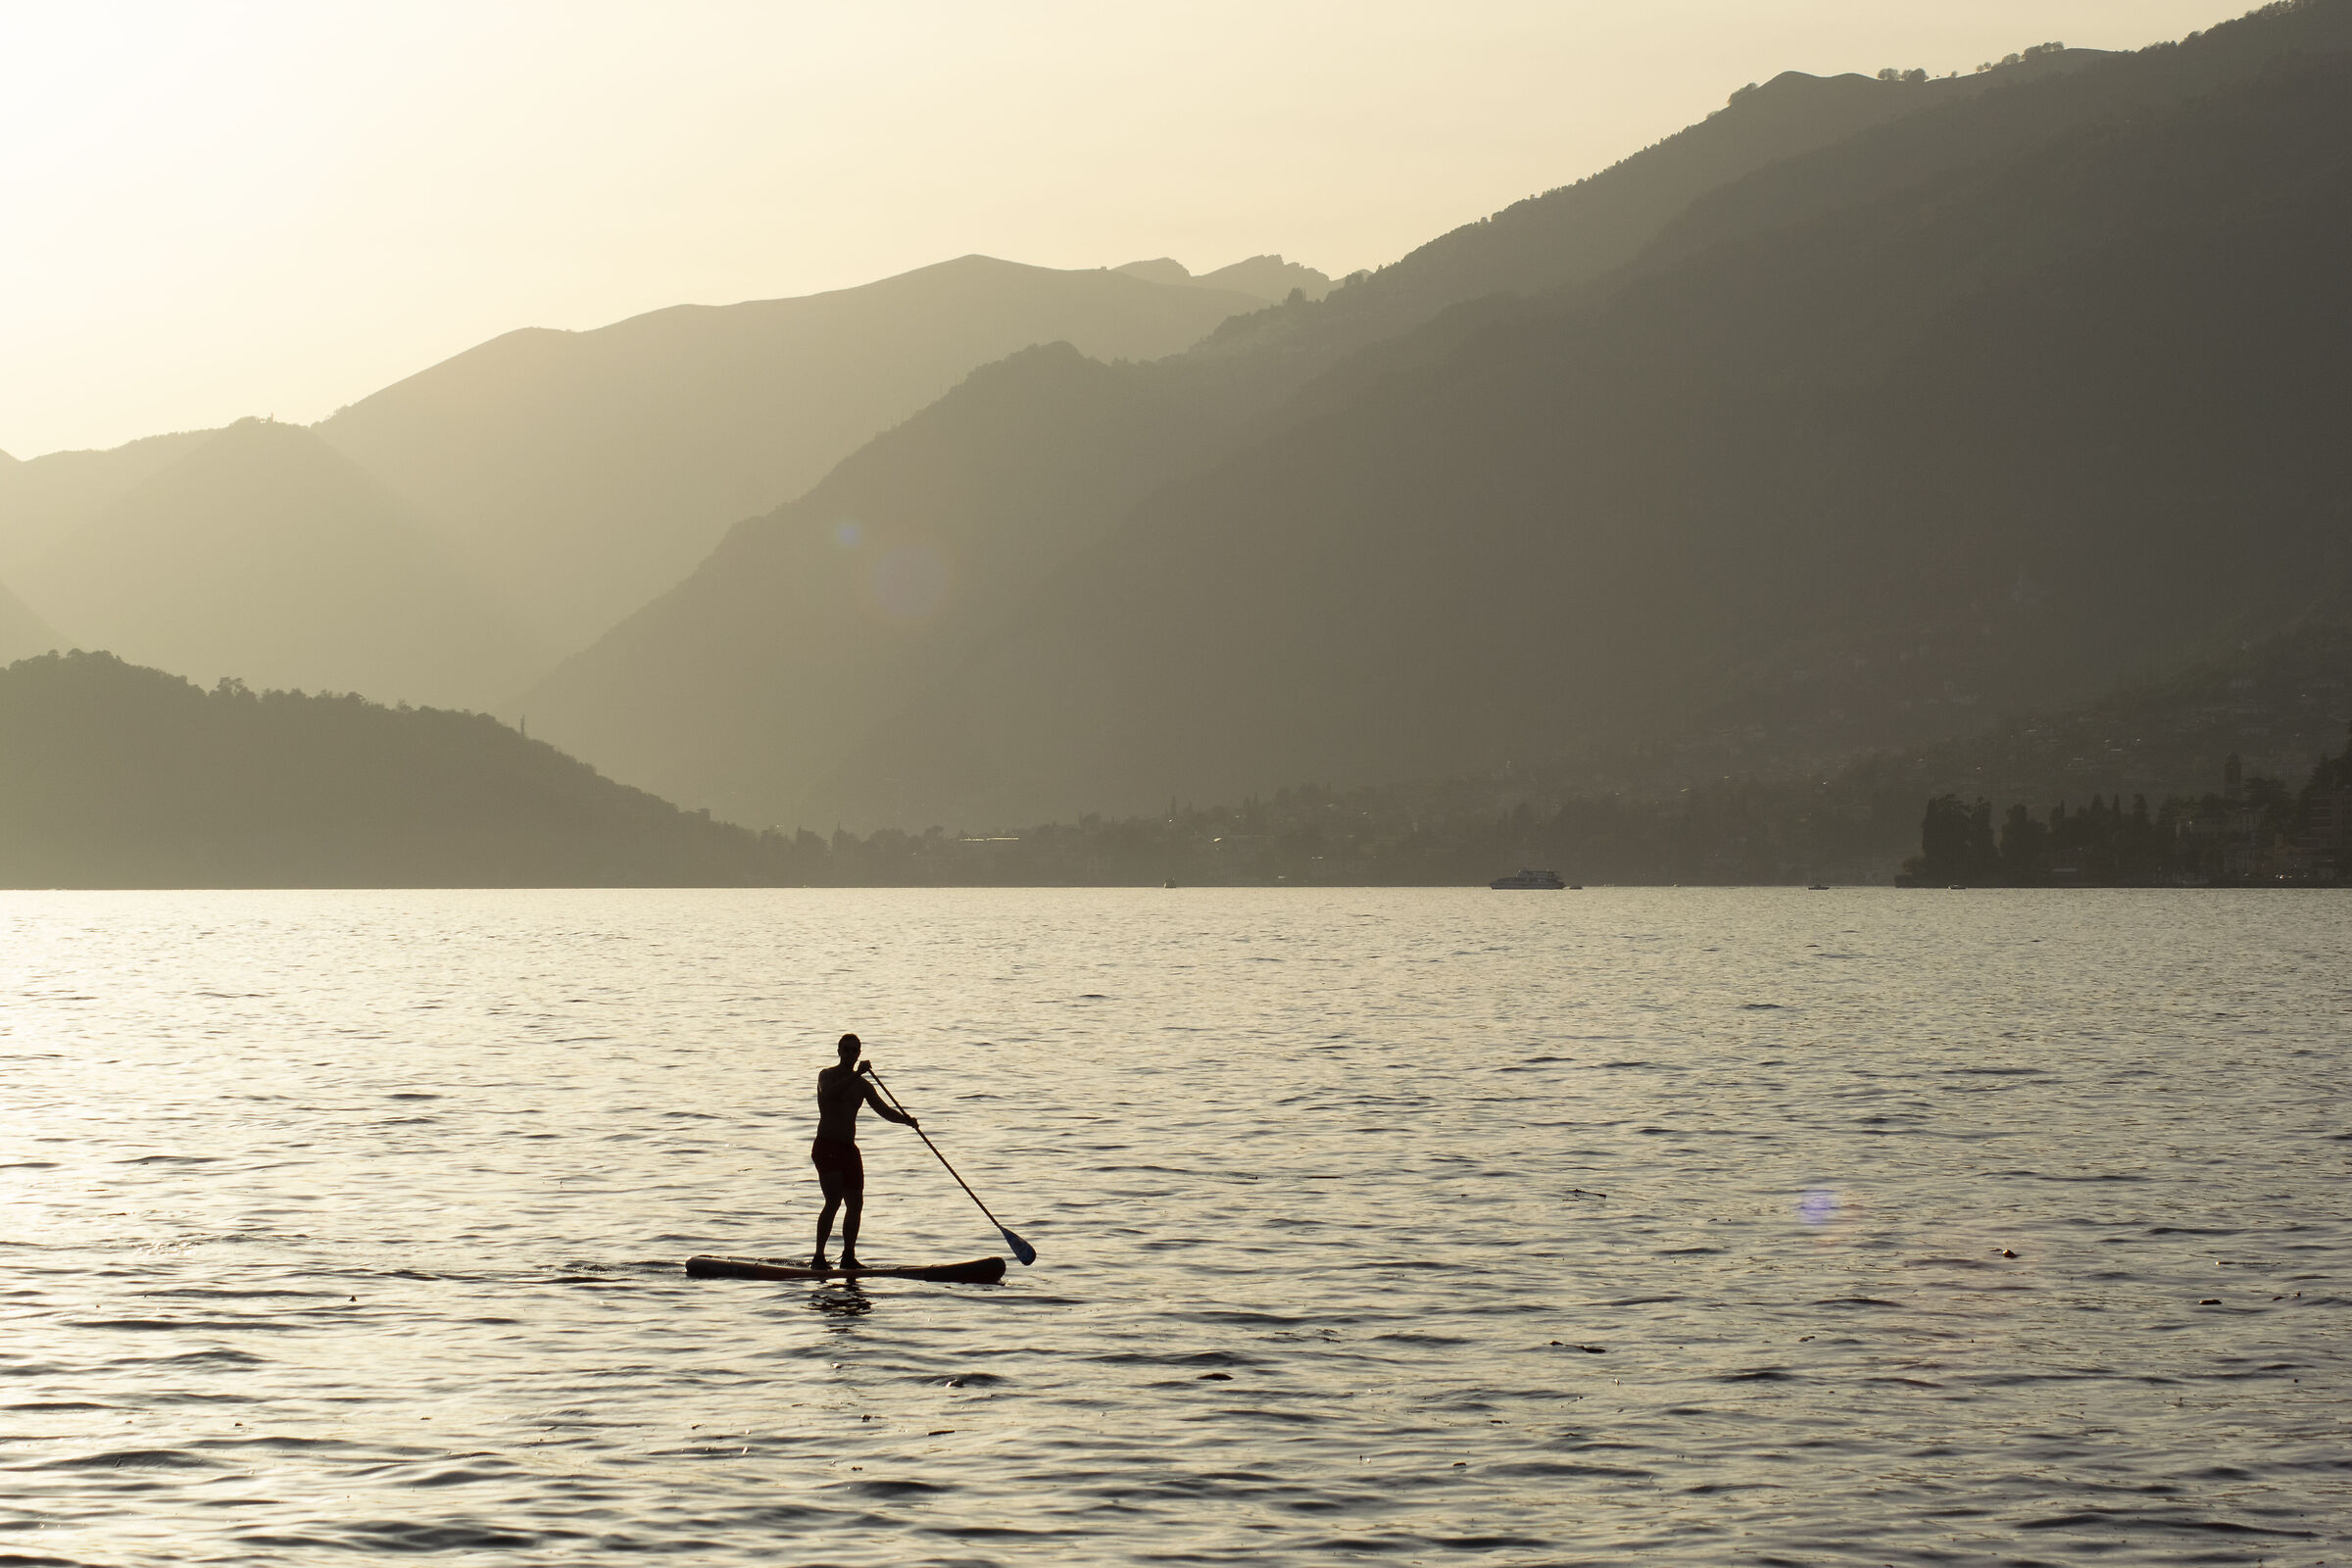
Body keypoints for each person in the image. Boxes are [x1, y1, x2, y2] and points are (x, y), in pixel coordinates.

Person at [809, 1032, 917, 1270]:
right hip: (827, 1146)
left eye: (854, 1050)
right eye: (845, 1049)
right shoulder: (826, 1076)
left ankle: (848, 1257)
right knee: (834, 1201)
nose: (849, 1054)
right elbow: (831, 1094)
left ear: (859, 1053)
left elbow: (883, 1109)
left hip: (849, 1149)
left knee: (856, 1204)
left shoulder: (863, 1086)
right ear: (838, 1051)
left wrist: (906, 1120)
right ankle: (819, 1258)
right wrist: (856, 1073)